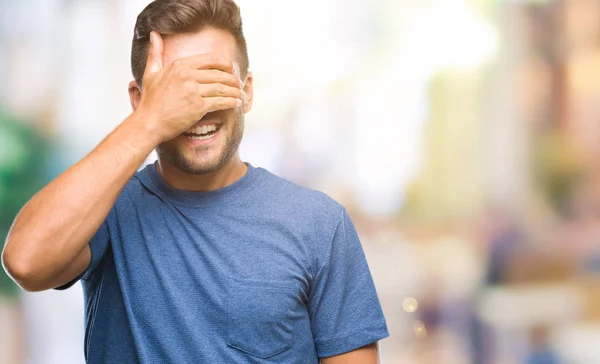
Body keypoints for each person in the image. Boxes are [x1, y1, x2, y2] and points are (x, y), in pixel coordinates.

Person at [1, 0, 389, 362]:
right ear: (140, 100)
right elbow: (25, 261)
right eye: (176, 90)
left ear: (247, 92)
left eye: (213, 82)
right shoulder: (106, 209)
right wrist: (150, 121)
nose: (197, 108)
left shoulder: (319, 224)